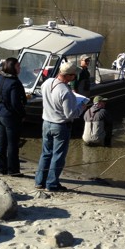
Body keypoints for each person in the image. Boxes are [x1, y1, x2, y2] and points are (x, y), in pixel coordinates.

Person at [35, 59, 88, 193]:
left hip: (46, 122)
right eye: (73, 75)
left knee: (46, 153)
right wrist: (82, 106)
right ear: (68, 76)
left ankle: (39, 181)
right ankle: (52, 184)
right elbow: (70, 114)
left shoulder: (47, 82)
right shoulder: (65, 91)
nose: (74, 77)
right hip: (60, 126)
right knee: (58, 156)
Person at [0, 57, 27, 176]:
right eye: (18, 66)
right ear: (12, 67)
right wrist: (22, 114)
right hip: (10, 116)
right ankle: (13, 170)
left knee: (2, 142)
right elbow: (15, 103)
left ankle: (2, 169)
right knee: (13, 144)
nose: (20, 68)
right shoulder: (14, 82)